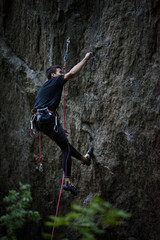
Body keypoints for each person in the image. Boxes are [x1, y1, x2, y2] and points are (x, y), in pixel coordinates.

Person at [32, 52, 94, 196]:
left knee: (64, 144)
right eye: (60, 72)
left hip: (40, 121)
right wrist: (86, 58)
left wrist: (58, 125)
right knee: (65, 148)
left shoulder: (46, 87)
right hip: (46, 119)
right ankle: (68, 182)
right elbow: (72, 73)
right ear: (53, 75)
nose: (62, 73)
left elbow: (45, 105)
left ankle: (84, 159)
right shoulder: (55, 81)